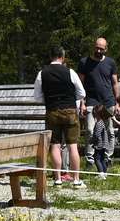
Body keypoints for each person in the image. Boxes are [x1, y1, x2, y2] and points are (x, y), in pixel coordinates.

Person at [33, 45, 87, 187]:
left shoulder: (41, 74)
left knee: (55, 145)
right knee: (72, 146)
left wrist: (50, 100)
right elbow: (82, 93)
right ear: (62, 57)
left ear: (50, 57)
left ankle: (57, 178)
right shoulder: (70, 72)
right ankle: (76, 179)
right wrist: (70, 98)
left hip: (52, 111)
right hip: (69, 111)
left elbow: (37, 98)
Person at [77, 38, 120, 173]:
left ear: (106, 49)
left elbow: (115, 83)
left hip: (108, 102)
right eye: (97, 47)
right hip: (91, 101)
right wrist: (82, 103)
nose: (98, 50)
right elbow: (80, 85)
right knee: (90, 130)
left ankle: (108, 158)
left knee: (110, 132)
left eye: (101, 48)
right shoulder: (84, 62)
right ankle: (90, 160)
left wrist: (117, 102)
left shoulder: (110, 63)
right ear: (93, 47)